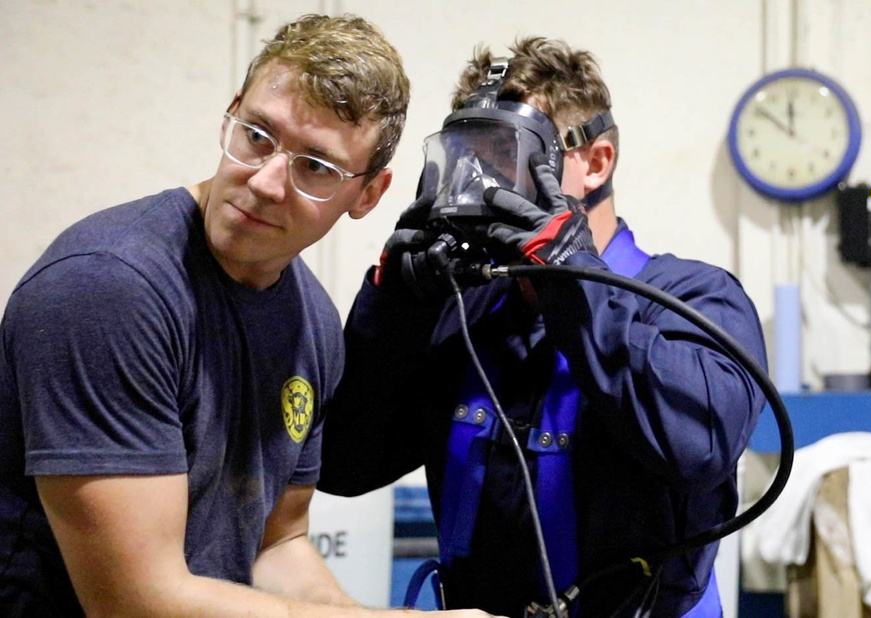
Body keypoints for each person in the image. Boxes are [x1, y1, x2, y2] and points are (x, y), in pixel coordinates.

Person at [0, 13, 499, 618]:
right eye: (258, 135)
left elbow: (277, 545)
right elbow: (133, 601)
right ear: (230, 112)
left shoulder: (312, 321)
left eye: (316, 166)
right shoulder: (107, 289)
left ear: (367, 195)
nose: (265, 181)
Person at [318, 36, 769, 618]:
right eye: (470, 155)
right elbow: (341, 464)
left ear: (596, 162)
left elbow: (697, 448)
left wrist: (573, 283)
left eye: (510, 153)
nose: (486, 180)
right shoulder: (472, 314)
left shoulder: (696, 299)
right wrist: (394, 314)